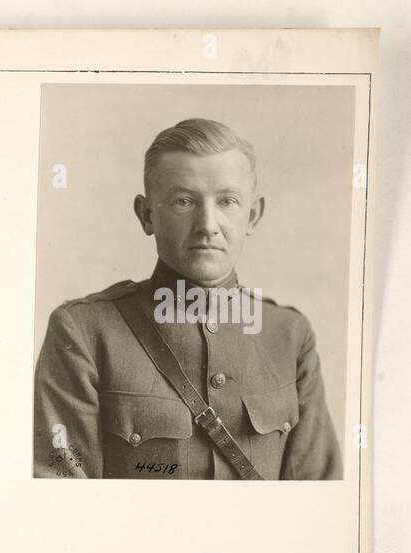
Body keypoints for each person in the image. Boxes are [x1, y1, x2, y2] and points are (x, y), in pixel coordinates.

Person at [32, 117, 342, 480]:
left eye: (227, 201)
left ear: (252, 216)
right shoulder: (85, 332)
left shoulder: (289, 336)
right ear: (147, 215)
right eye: (183, 201)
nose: (207, 223)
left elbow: (321, 501)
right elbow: (61, 499)